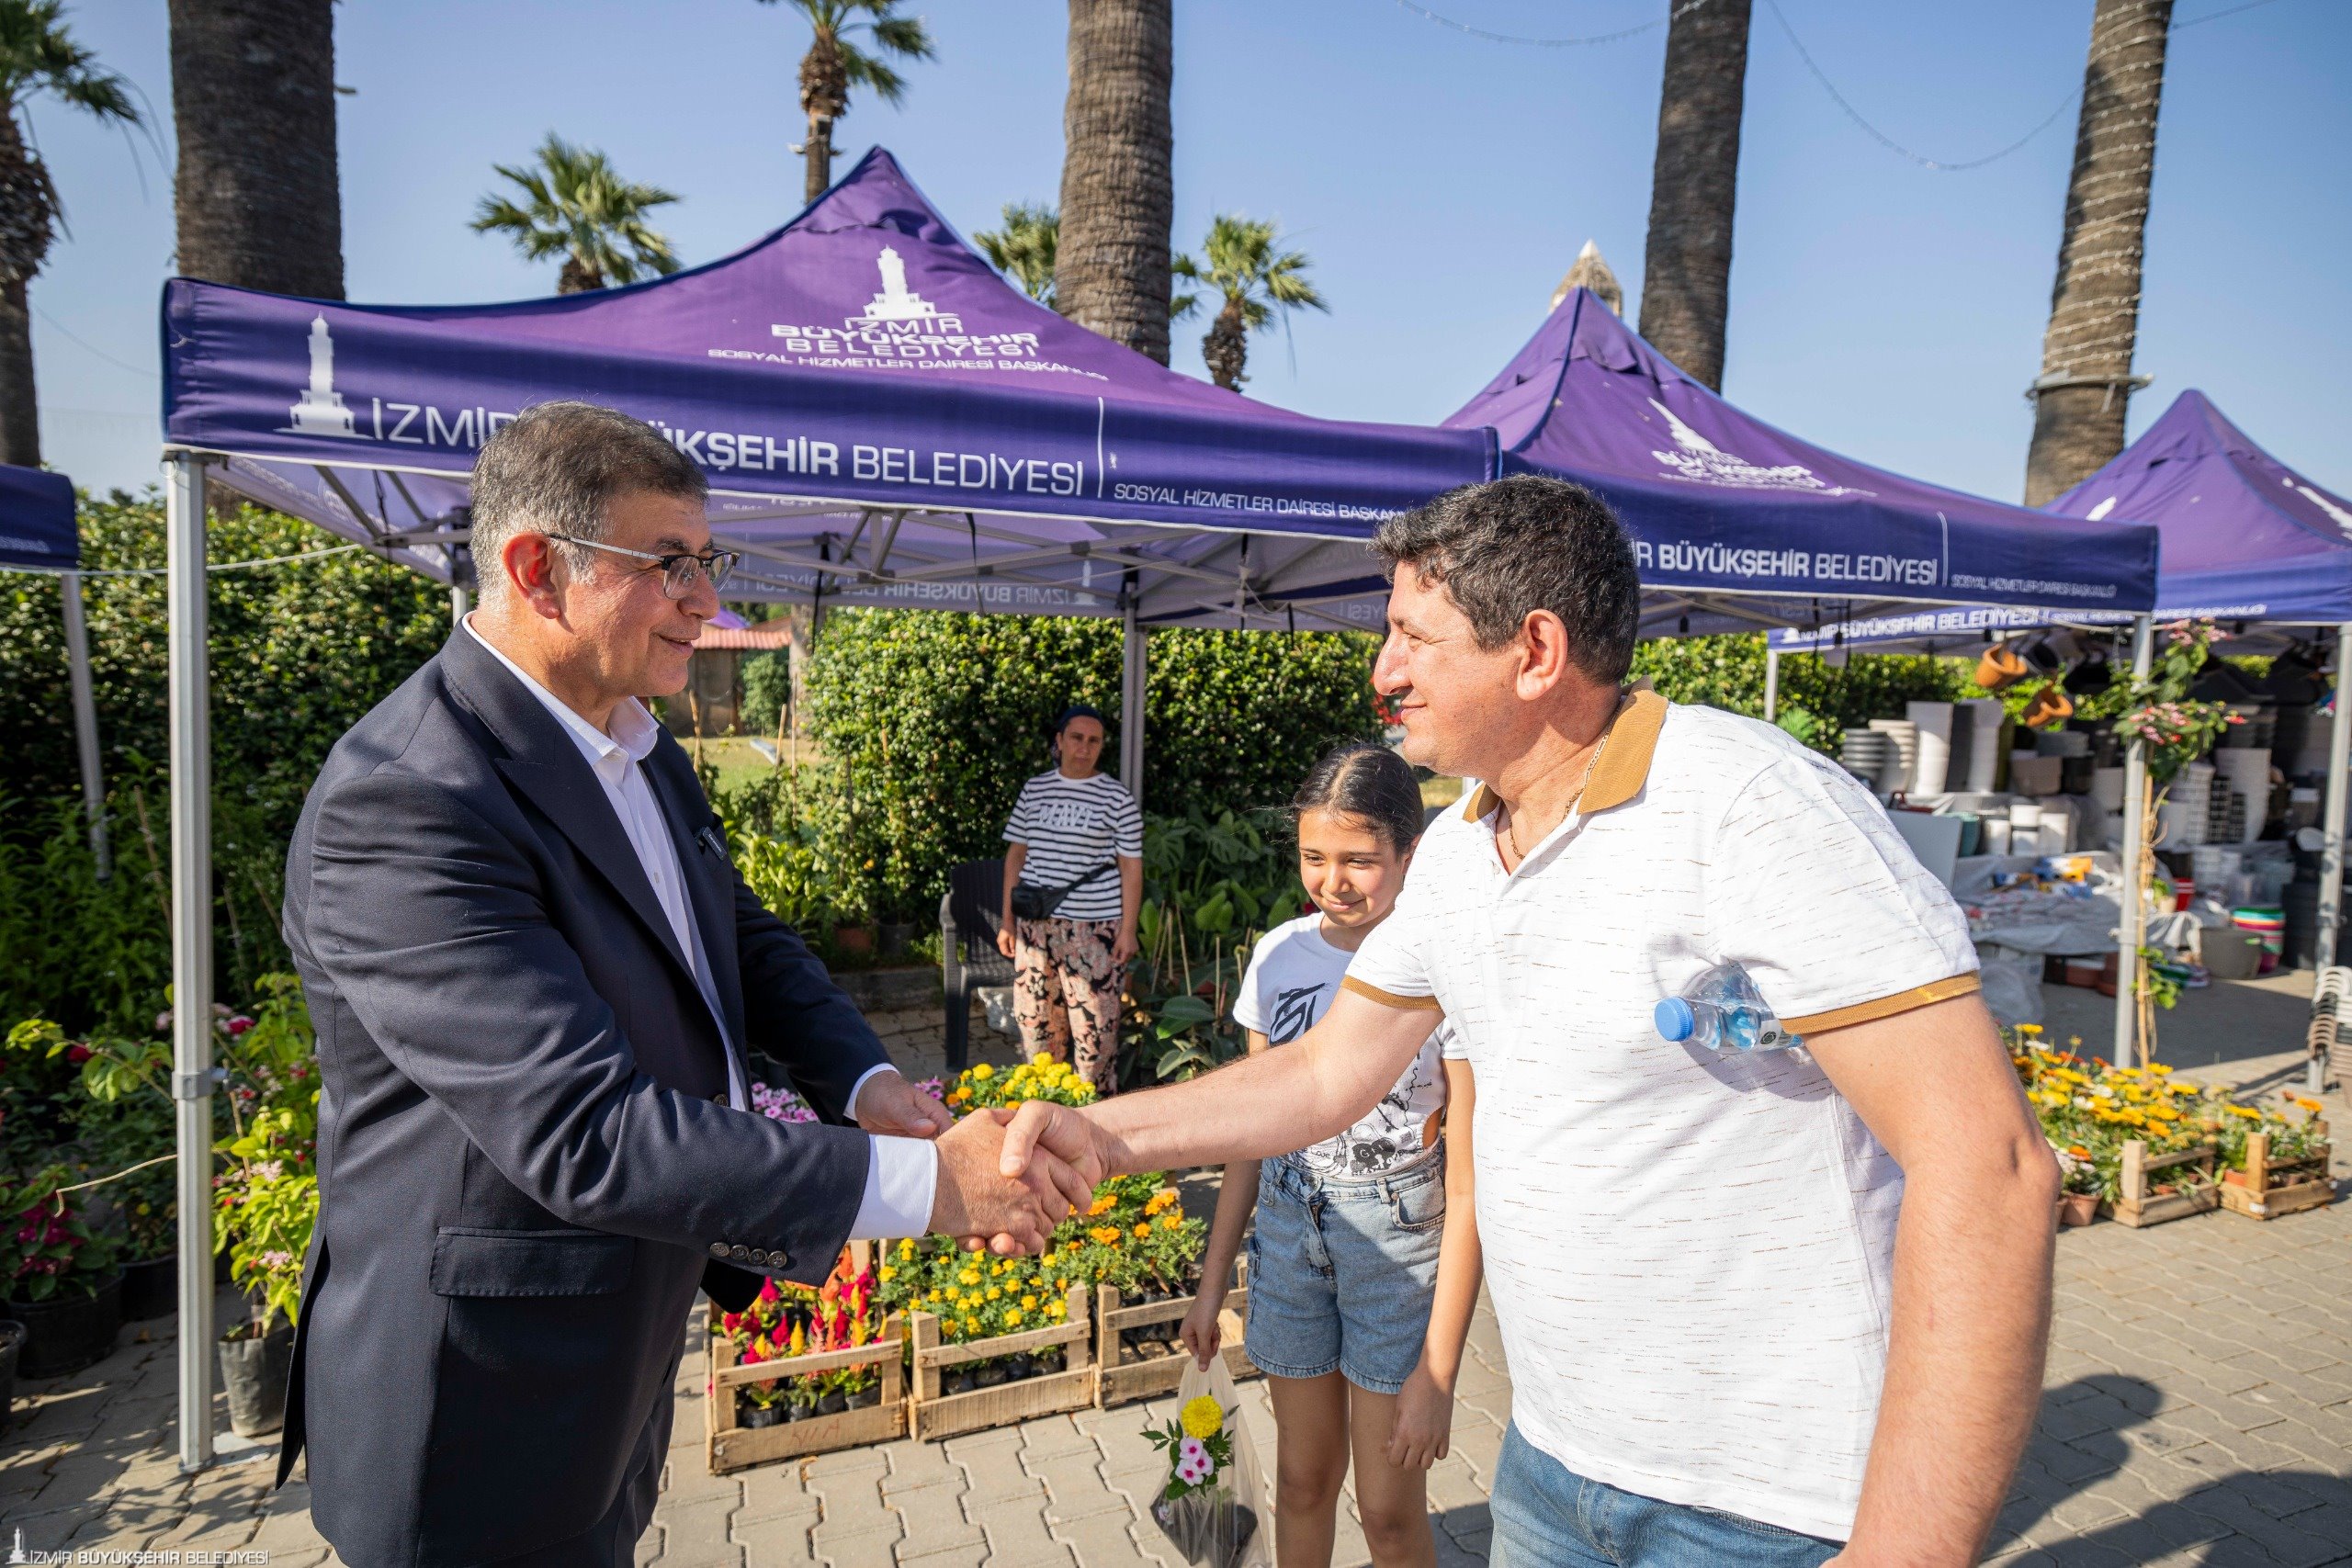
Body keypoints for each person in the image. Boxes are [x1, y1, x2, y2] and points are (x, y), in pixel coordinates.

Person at [1001, 475, 2060, 1567]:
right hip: (1553, 1474)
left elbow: (1989, 1168)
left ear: (1536, 651)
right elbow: (1323, 1075)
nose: (1382, 671)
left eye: (1413, 638)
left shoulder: (1750, 806)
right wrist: (1099, 1134)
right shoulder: (1461, 848)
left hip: (1763, 1508)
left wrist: (1905, 1553)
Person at [277, 401, 1088, 1568]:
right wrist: (931, 1187)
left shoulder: (633, 742)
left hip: (615, 1356)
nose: (707, 602)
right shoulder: (408, 799)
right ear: (538, 570)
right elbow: (584, 1130)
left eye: (708, 562)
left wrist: (863, 1083)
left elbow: (736, 940)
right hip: (482, 1403)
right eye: (669, 564)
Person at [1179, 742, 1483, 1568]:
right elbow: (1250, 1132)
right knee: (1302, 1481)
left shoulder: (1445, 965)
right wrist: (1212, 1285)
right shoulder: (1279, 955)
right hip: (1288, 1237)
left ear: (1410, 852)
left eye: (1359, 859)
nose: (1333, 880)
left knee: (1388, 1512)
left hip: (1398, 1250)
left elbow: (1468, 1179)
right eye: (1314, 856)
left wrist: (1439, 1370)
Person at [996, 704, 1143, 1092]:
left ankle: (1096, 1117)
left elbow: (1131, 868)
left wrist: (1128, 930)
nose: (1084, 747)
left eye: (1094, 740)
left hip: (1094, 931)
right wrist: (1007, 921)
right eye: (1076, 738)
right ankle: (1049, 1112)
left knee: (1096, 1035)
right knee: (1037, 1029)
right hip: (1034, 929)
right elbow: (1015, 857)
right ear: (1059, 741)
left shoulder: (1116, 797)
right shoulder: (1035, 789)